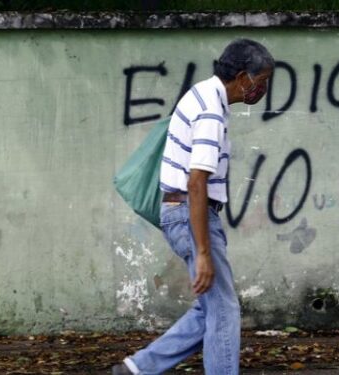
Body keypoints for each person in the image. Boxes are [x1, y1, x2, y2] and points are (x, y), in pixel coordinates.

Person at [112, 39, 274, 375]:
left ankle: (138, 368)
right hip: (191, 215)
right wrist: (203, 251)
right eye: (261, 81)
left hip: (181, 214)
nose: (263, 89)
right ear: (243, 77)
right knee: (224, 311)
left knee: (209, 308)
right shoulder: (212, 112)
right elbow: (197, 181)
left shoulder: (201, 93)